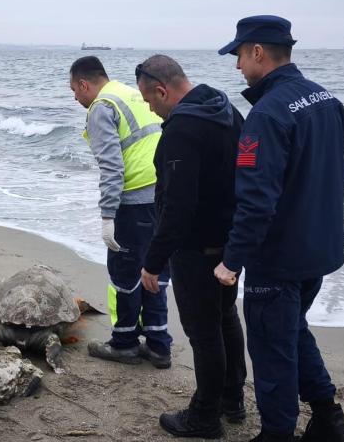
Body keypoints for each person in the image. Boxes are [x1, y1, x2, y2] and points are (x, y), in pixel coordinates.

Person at [214, 16, 344, 442]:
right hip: (319, 250)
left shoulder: (268, 114)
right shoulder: (325, 99)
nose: (237, 66)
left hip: (278, 258)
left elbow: (256, 201)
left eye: (239, 54)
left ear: (257, 52)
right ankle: (329, 420)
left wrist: (231, 261)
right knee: (291, 331)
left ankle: (277, 434)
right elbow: (339, 172)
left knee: (272, 350)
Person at [136, 55, 248, 439]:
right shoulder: (224, 107)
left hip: (197, 248)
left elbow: (177, 206)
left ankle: (205, 417)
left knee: (204, 333)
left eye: (150, 101)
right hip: (228, 243)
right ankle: (233, 400)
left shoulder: (182, 129)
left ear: (162, 90)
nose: (151, 109)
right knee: (226, 318)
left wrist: (153, 261)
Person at [68, 55, 173, 367]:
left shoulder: (103, 106)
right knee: (155, 273)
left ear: (85, 84)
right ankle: (158, 346)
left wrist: (108, 216)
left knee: (124, 275)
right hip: (163, 196)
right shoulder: (131, 94)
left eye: (74, 90)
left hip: (133, 203)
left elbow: (112, 166)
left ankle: (124, 342)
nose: (75, 98)